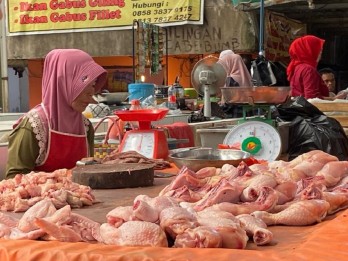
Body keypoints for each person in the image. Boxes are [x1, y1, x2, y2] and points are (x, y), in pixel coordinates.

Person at [5, 49, 107, 178]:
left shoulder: (85, 127)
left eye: (92, 85)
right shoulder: (34, 126)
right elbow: (13, 178)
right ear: (62, 82)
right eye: (83, 83)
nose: (91, 93)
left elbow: (87, 173)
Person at [287, 35, 345, 100]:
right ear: (309, 50)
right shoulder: (308, 69)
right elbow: (312, 98)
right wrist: (335, 99)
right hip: (309, 109)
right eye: (319, 50)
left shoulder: (297, 67)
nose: (320, 54)